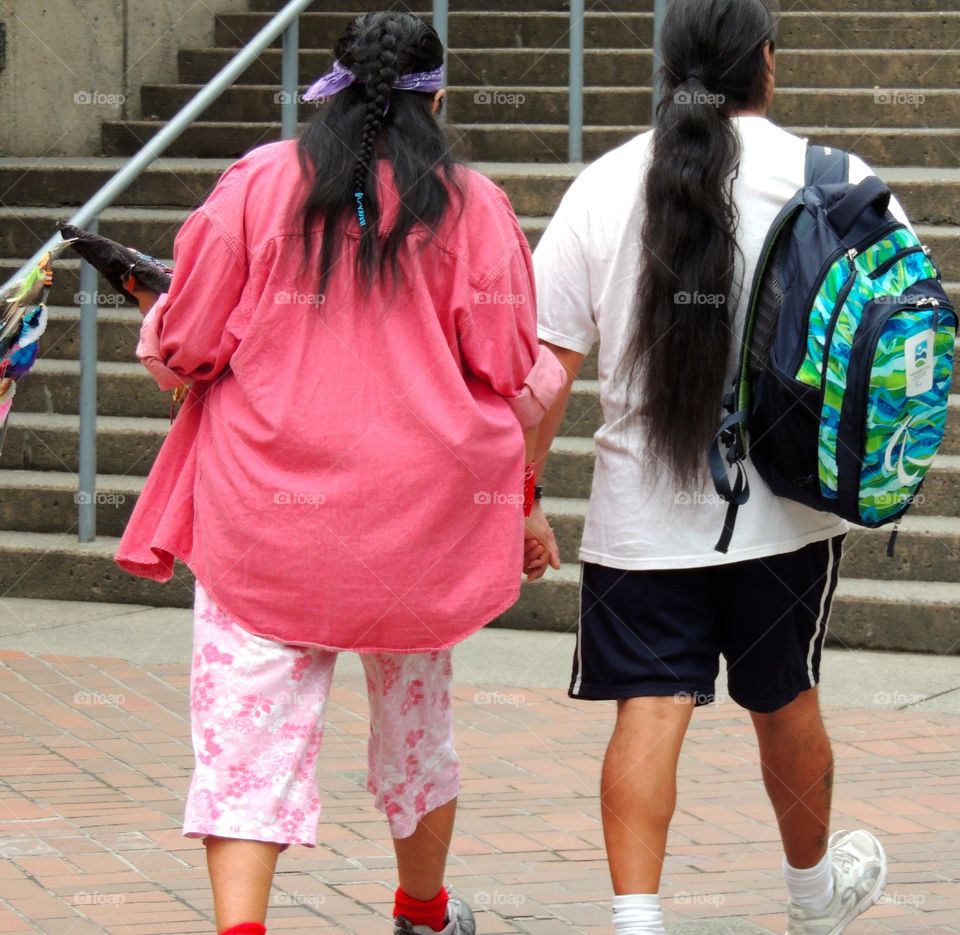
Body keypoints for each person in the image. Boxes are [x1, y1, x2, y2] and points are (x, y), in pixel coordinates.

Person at [115, 11, 566, 935]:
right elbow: (509, 358)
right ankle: (423, 913)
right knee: (417, 723)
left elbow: (191, 342)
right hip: (419, 525)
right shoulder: (473, 205)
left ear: (327, 89)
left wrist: (160, 329)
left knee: (246, 742)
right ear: (438, 101)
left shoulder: (256, 183)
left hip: (262, 521)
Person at [530, 0, 900, 932]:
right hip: (785, 511)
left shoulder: (604, 184)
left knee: (649, 713)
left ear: (666, 69)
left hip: (640, 520)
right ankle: (815, 903)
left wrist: (520, 496)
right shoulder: (838, 179)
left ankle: (638, 921)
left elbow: (542, 374)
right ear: (765, 64)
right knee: (785, 700)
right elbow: (902, 338)